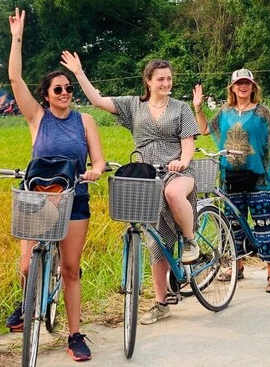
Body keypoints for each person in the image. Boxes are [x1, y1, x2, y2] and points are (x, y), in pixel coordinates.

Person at [61, 51, 200, 325]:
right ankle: (161, 303)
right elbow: (97, 100)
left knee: (173, 193)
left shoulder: (181, 108)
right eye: (160, 79)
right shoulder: (133, 106)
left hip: (176, 171)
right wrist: (79, 73)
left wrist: (182, 162)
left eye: (169, 78)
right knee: (155, 243)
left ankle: (189, 240)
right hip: (147, 175)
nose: (166, 83)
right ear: (148, 81)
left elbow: (188, 143)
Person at [6, 9, 106, 362]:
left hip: (74, 198)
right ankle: (28, 302)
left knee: (70, 269)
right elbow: (15, 78)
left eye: (68, 88)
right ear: (46, 95)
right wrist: (17, 37)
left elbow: (100, 160)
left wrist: (95, 171)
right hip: (37, 199)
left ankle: (75, 334)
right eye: (58, 89)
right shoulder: (37, 117)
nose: (65, 93)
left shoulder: (85, 121)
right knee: (26, 265)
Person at [192, 69, 270, 293]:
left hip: (258, 179)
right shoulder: (225, 112)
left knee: (264, 225)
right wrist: (197, 107)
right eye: (239, 84)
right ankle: (237, 266)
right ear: (233, 88)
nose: (243, 87)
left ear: (253, 87)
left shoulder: (262, 112)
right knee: (233, 226)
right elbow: (205, 130)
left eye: (247, 83)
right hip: (231, 178)